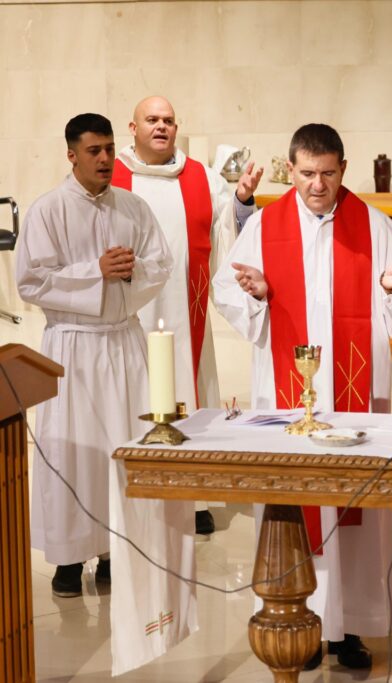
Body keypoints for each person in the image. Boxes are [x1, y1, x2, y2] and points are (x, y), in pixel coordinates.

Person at [211, 122, 392, 670]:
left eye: (328, 173)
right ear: (290, 169)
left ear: (343, 169)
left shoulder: (376, 229)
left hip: (354, 402)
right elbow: (226, 288)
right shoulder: (262, 226)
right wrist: (254, 293)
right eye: (306, 174)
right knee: (293, 503)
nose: (317, 185)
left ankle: (348, 629)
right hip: (287, 399)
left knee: (356, 520)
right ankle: (295, 618)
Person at [16, 113, 172, 598]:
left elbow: (161, 263)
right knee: (72, 451)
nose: (105, 159)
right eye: (93, 151)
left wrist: (130, 273)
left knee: (120, 448)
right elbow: (31, 281)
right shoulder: (48, 210)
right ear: (72, 155)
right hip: (74, 346)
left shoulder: (133, 207)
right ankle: (67, 558)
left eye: (108, 148)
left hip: (123, 342)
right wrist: (95, 271)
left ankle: (111, 551)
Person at [113, 95, 263, 535]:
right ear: (133, 127)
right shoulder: (115, 177)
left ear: (177, 128)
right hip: (133, 313)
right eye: (152, 120)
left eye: (169, 121)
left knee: (190, 384)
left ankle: (194, 493)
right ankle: (141, 483)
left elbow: (226, 227)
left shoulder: (199, 175)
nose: (161, 127)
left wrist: (240, 198)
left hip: (185, 311)